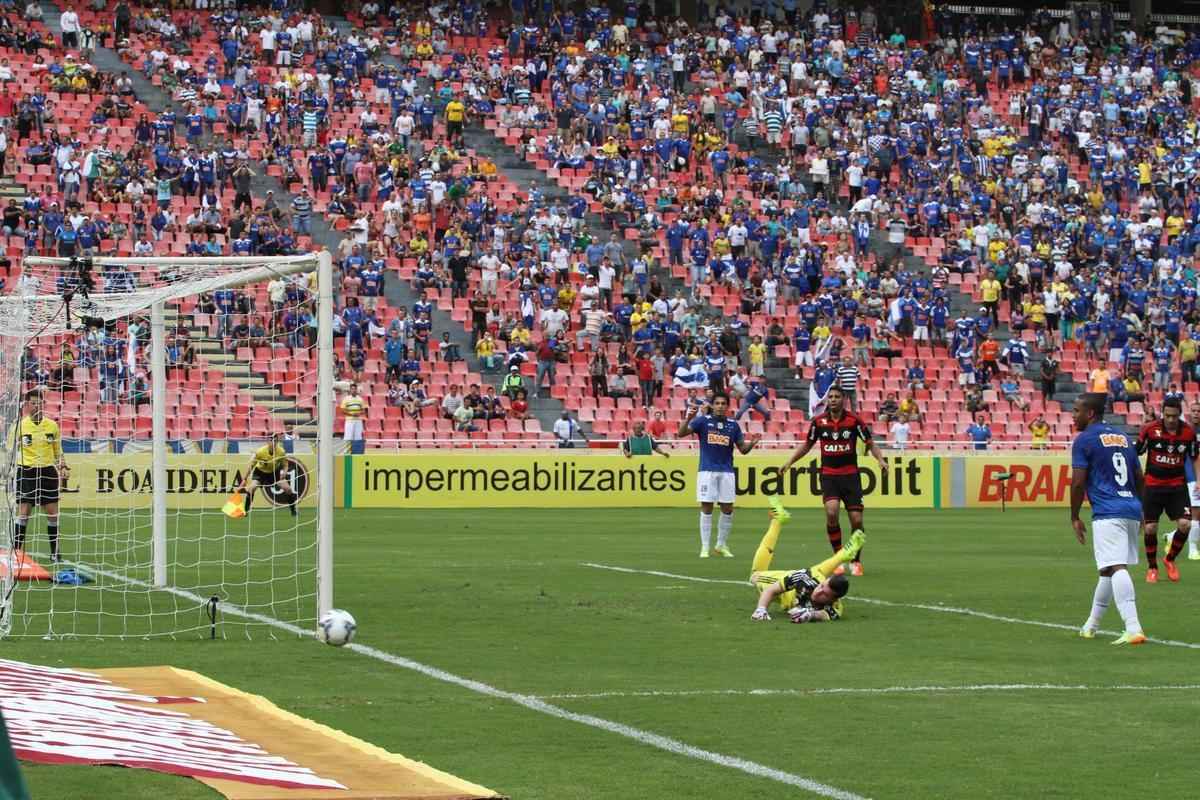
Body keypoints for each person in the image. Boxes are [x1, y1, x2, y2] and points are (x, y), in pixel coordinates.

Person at [780, 386, 887, 576]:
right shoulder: (818, 422)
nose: (833, 400)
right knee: (831, 512)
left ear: (844, 399)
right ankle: (838, 558)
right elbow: (807, 445)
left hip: (851, 475)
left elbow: (870, 444)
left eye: (837, 396)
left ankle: (855, 559)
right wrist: (789, 461)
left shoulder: (854, 421)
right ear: (827, 400)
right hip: (829, 475)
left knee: (856, 519)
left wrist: (880, 459)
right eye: (831, 397)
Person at [1070, 393, 1147, 646]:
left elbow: (1079, 482)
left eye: (1077, 410)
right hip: (1131, 507)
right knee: (1107, 569)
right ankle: (1091, 625)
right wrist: (1143, 510)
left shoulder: (1084, 440)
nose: (1073, 415)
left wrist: (1074, 516)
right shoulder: (1124, 437)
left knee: (1116, 567)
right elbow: (1139, 476)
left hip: (1108, 510)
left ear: (1090, 413)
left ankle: (1133, 627)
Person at [749, 498, 866, 623]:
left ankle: (842, 555)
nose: (818, 592)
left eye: (825, 594)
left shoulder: (835, 607)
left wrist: (809, 614)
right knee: (755, 576)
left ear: (834, 599)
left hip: (804, 585)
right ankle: (777, 520)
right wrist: (760, 610)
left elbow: (823, 615)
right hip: (787, 585)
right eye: (822, 586)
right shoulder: (805, 578)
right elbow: (770, 590)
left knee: (816, 572)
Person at [678, 392, 761, 558]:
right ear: (713, 405)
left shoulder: (733, 425)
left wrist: (751, 443)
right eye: (717, 403)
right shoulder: (703, 421)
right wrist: (689, 418)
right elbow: (681, 433)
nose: (720, 406)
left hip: (727, 471)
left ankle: (721, 545)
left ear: (727, 406)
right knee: (707, 507)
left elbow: (742, 450)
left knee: (727, 508)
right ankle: (705, 547)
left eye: (723, 403)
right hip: (707, 470)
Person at [1135, 398, 1198, 583]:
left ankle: (1169, 559)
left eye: (1174, 416)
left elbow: (1195, 457)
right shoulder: (1150, 430)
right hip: (1153, 486)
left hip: (1177, 486)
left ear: (1180, 414)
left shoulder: (1188, 432)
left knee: (1186, 525)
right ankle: (1152, 567)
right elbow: (1136, 452)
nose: (1171, 420)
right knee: (1150, 527)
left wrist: (1199, 479)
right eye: (1167, 415)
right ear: (1163, 412)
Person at [12, 391, 69, 562]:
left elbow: (57, 450)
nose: (37, 406)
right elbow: (11, 450)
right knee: (24, 512)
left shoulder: (52, 425)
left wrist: (63, 465)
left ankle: (55, 553)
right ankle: (16, 552)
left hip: (47, 471)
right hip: (27, 470)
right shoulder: (20, 426)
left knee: (52, 513)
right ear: (27, 405)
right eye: (33, 403)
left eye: (39, 403)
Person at [236, 432, 297, 517]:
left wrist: (284, 472)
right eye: (271, 440)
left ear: (277, 441)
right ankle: (246, 510)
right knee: (252, 488)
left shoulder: (281, 451)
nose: (273, 442)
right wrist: (245, 479)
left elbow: (285, 465)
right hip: (260, 472)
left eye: (275, 441)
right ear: (267, 441)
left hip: (274, 472)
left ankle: (293, 510)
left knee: (288, 489)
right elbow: (252, 466)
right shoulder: (260, 452)